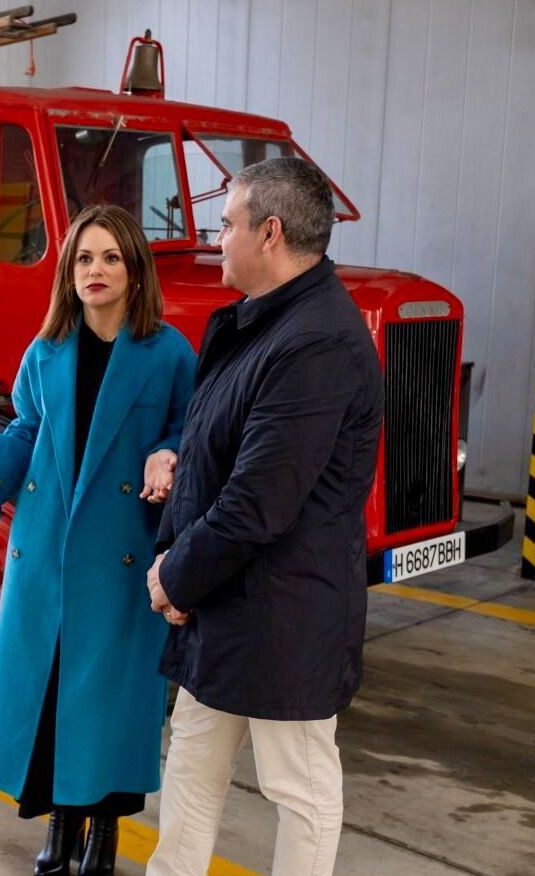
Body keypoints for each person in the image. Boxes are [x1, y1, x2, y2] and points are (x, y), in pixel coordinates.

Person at [0, 204, 196, 876]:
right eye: (83, 259)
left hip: (120, 553)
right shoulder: (46, 352)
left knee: (108, 701)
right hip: (46, 552)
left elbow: (191, 428)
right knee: (52, 694)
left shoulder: (168, 353)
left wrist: (168, 453)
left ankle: (103, 836)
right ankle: (61, 828)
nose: (95, 271)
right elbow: (25, 435)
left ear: (134, 271)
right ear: (68, 272)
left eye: (110, 258)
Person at [144, 157, 383, 876]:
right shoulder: (271, 325)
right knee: (192, 757)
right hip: (228, 602)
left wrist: (174, 578)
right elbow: (229, 451)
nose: (216, 241)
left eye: (225, 225)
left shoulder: (316, 343)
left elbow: (259, 502)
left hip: (283, 615)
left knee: (299, 787)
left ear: (269, 232)